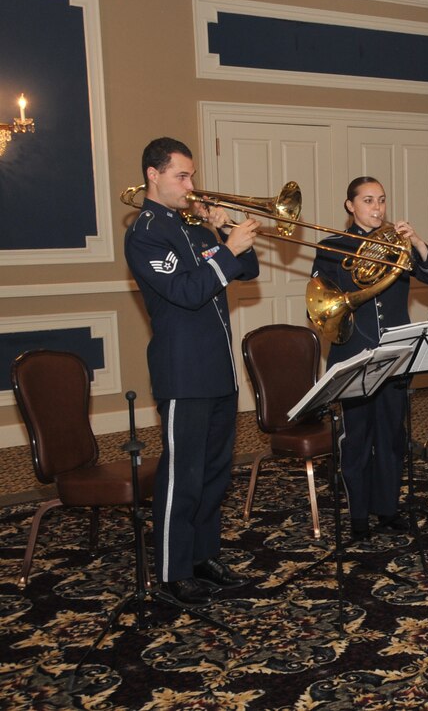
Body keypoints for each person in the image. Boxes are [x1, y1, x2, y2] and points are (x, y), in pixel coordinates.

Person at [124, 137, 260, 607]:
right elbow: (185, 291)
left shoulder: (193, 226)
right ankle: (172, 570)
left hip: (218, 368)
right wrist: (226, 251)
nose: (191, 185)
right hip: (183, 371)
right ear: (153, 175)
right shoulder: (145, 232)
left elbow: (247, 271)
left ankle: (203, 556)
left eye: (191, 175)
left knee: (215, 473)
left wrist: (224, 234)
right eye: (182, 176)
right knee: (183, 475)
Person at [311, 176, 428, 542]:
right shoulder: (331, 247)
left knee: (391, 436)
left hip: (394, 354)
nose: (377, 208)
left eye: (382, 200)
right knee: (357, 438)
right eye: (368, 200)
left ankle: (387, 508)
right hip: (353, 354)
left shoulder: (399, 245)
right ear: (350, 206)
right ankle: (358, 514)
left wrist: (417, 242)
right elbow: (324, 300)